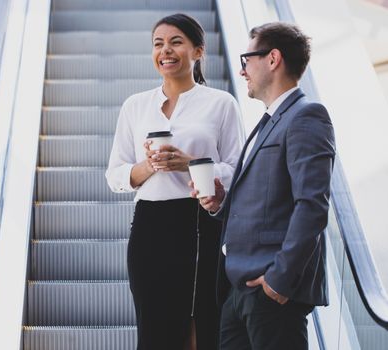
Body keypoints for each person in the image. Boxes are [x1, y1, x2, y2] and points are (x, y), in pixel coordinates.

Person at [192, 22, 336, 350]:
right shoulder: (267, 122)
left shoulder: (306, 116)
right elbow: (266, 199)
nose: (242, 71)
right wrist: (220, 203)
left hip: (270, 290)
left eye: (247, 59)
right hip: (238, 289)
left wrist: (279, 280)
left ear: (272, 59)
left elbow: (312, 205)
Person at [105, 13, 245, 350]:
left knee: (202, 322)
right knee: (154, 328)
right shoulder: (135, 106)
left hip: (199, 221)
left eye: (176, 42)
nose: (165, 50)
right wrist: (150, 165)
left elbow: (238, 170)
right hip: (149, 225)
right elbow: (115, 175)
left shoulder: (220, 103)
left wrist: (192, 165)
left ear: (198, 51)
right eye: (158, 44)